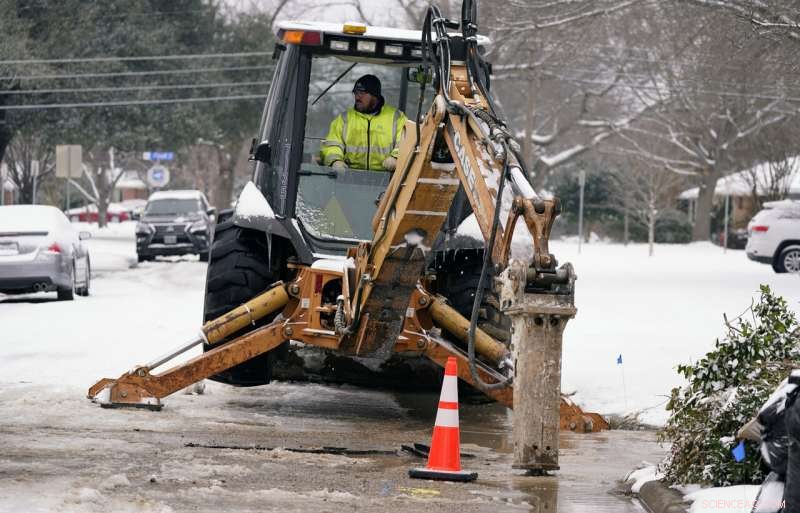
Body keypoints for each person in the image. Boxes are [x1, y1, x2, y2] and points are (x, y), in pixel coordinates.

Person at [320, 74, 407, 172]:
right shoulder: (344, 119)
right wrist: (335, 161)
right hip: (349, 179)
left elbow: (406, 143)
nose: (357, 97)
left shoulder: (397, 118)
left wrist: (395, 158)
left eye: (362, 93)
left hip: (387, 180)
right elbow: (332, 144)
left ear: (375, 95)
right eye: (356, 93)